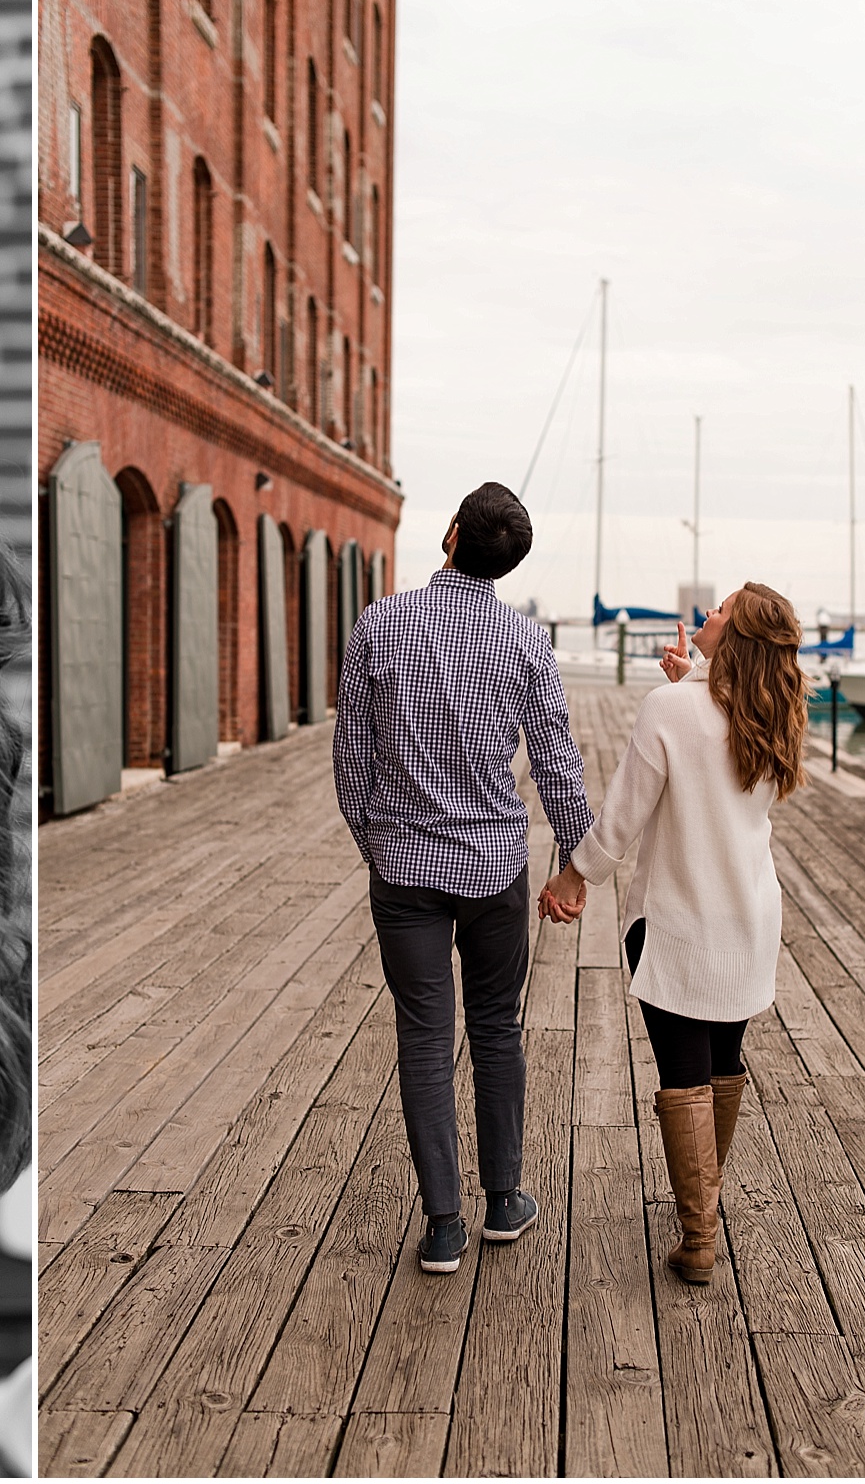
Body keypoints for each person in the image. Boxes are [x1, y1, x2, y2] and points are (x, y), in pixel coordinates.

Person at [333, 481, 594, 1276]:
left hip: (403, 868)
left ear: (449, 534)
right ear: (507, 564)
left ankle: (443, 1225)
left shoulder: (379, 623)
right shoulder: (524, 643)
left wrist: (375, 841)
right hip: (491, 873)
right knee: (494, 1027)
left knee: (423, 1033)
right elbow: (556, 761)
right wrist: (573, 866)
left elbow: (352, 759)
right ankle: (505, 1203)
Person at [542, 585, 806, 1284]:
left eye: (720, 610)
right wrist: (695, 677)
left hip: (678, 920)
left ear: (737, 636)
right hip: (749, 918)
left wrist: (575, 878)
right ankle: (704, 1208)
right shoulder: (771, 712)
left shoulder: (673, 709)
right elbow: (714, 734)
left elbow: (625, 812)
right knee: (722, 1063)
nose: (707, 616)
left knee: (683, 1076)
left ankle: (698, 1240)